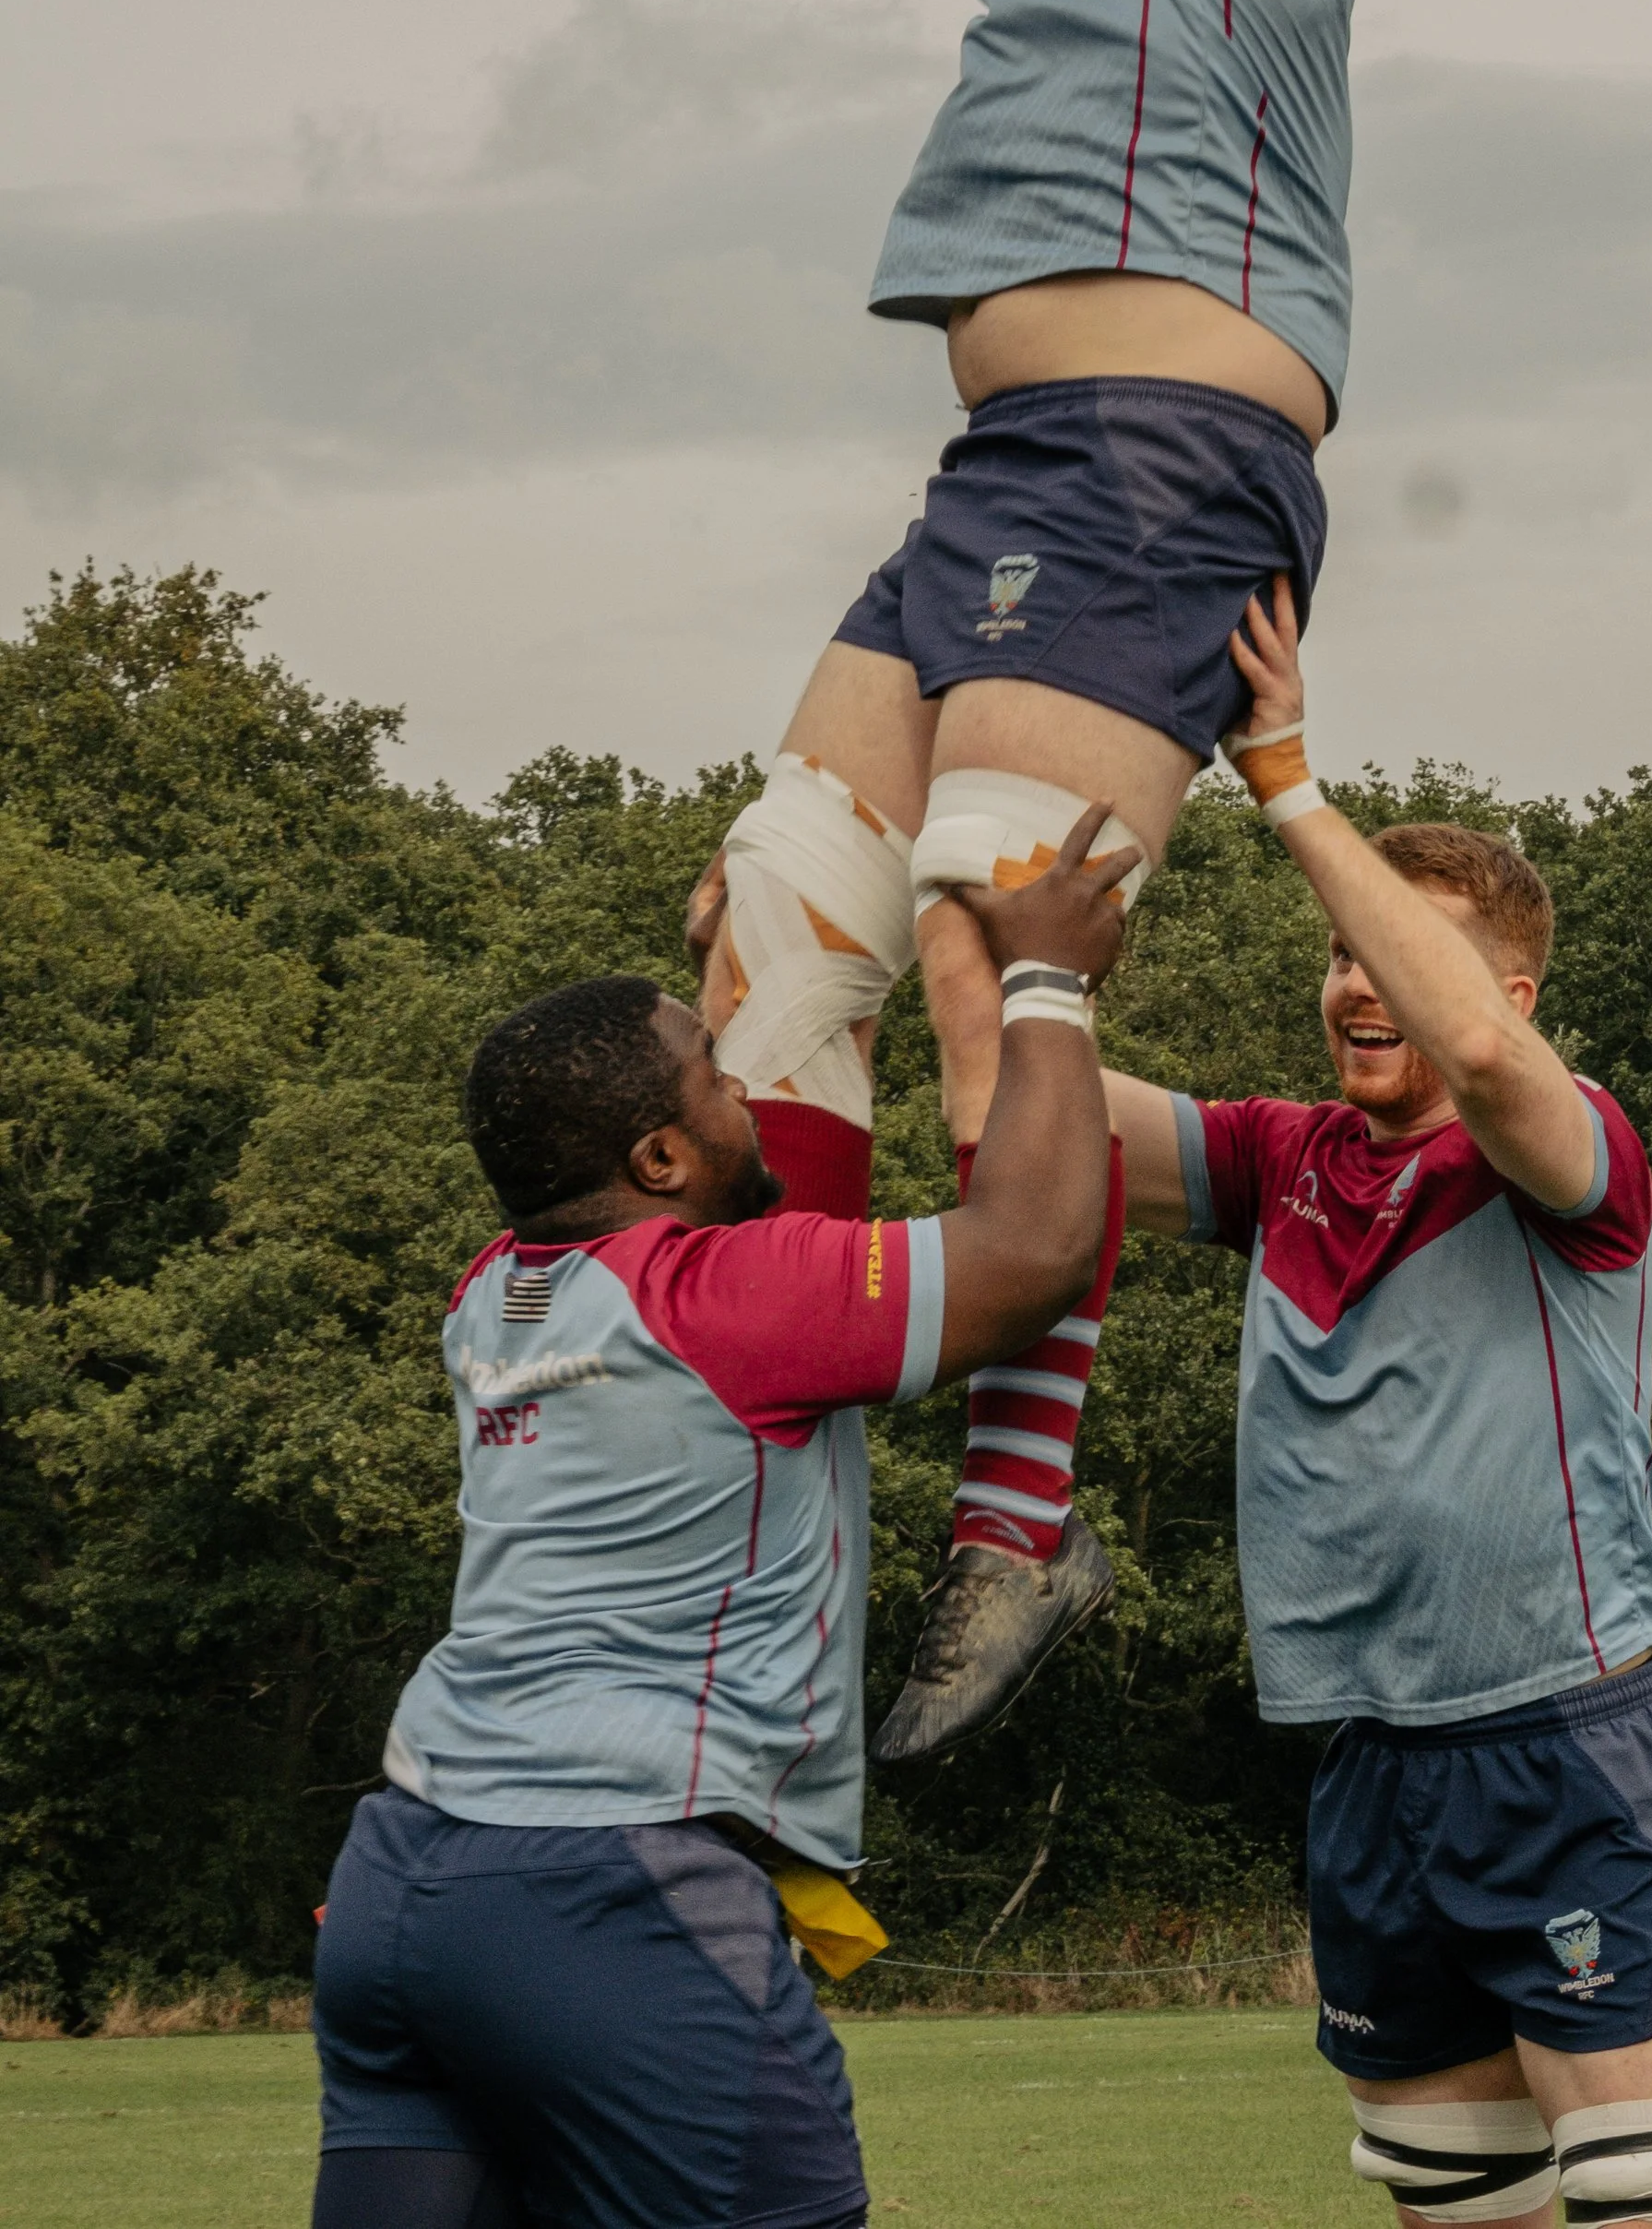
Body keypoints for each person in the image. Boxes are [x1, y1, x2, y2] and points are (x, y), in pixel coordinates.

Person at [685, 0, 1359, 1761]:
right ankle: (741, 1476)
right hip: (1012, 477)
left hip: (1160, 458)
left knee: (998, 950)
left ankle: (1018, 1513)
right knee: (777, 941)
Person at [310, 813, 1137, 2229]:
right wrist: (1048, 979)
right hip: (607, 1890)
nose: (744, 1082)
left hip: (399, 1883)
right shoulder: (726, 1305)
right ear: (655, 1155)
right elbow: (1039, 1246)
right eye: (716, 1073)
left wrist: (745, 965)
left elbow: (679, 1149)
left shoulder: (493, 1292)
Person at [1096, 581, 1652, 2229]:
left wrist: (1290, 782)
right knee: (1458, 2217)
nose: (1358, 981)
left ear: (1512, 994)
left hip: (1574, 1739)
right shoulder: (1280, 1158)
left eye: (1405, 952)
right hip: (1374, 1767)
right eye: (1342, 950)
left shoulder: (1569, 1142)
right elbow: (1009, 1131)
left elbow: (1482, 1057)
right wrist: (976, 931)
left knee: (1650, 2208)